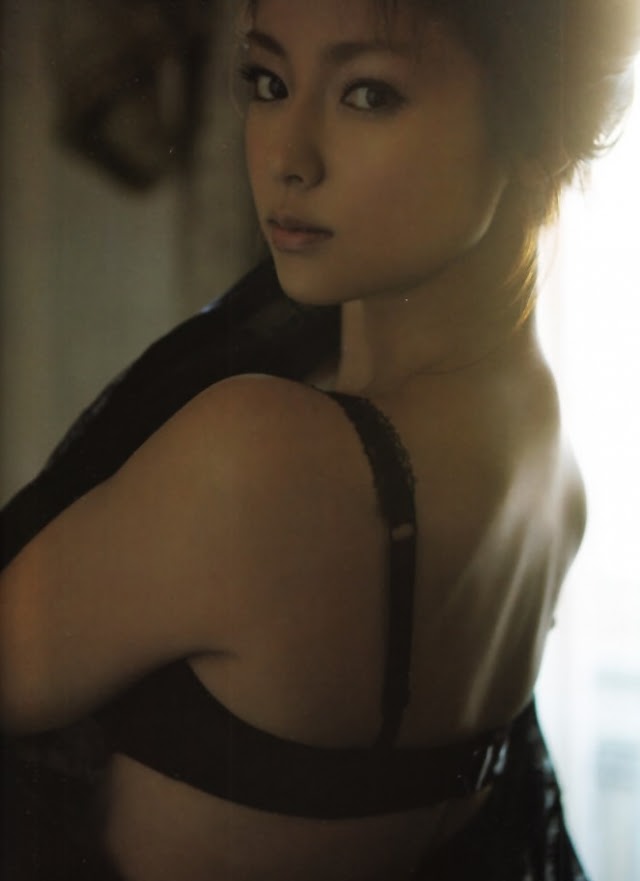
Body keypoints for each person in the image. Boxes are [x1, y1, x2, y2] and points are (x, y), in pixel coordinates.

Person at [1, 0, 638, 879]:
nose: (284, 157)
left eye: (369, 94)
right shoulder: (548, 459)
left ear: (538, 125)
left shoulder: (261, 462)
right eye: (269, 82)